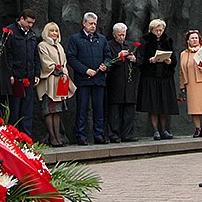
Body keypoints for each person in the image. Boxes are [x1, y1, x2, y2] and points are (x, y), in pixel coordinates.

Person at [66, 12, 110, 145]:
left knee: (99, 108)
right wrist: (85, 70)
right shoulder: (75, 39)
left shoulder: (101, 39)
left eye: (95, 24)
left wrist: (105, 65)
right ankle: (81, 136)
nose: (93, 26)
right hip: (83, 79)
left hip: (98, 79)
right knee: (82, 108)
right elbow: (72, 58)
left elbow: (108, 56)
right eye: (90, 23)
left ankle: (99, 134)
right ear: (84, 23)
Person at [137, 18, 178, 140]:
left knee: (164, 104)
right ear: (152, 30)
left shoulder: (167, 40)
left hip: (165, 77)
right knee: (153, 104)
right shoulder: (145, 41)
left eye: (161, 30)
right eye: (157, 30)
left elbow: (174, 58)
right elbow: (140, 59)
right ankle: (155, 130)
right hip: (151, 77)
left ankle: (164, 129)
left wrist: (170, 61)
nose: (159, 32)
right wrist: (150, 60)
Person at [36, 21, 75, 147]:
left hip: (60, 82)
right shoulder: (42, 45)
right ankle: (52, 137)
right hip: (49, 81)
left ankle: (58, 136)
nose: (54, 33)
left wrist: (64, 70)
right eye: (52, 31)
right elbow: (46, 63)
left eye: (56, 31)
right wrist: (58, 69)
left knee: (57, 110)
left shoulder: (59, 46)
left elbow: (63, 61)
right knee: (49, 110)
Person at [4, 9, 40, 136]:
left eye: (32, 23)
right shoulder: (10, 31)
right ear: (21, 19)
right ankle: (13, 137)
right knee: (14, 109)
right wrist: (10, 74)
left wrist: (37, 74)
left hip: (29, 77)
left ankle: (26, 138)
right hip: (16, 77)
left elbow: (35, 55)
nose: (30, 25)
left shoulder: (32, 35)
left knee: (27, 110)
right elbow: (7, 55)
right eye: (28, 22)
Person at [106, 22, 139, 142]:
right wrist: (118, 57)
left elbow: (139, 63)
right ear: (114, 35)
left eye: (123, 35)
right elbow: (108, 63)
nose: (121, 37)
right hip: (115, 82)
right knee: (115, 110)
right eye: (119, 35)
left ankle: (128, 134)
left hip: (129, 82)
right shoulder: (109, 45)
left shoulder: (130, 45)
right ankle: (114, 134)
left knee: (129, 109)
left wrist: (135, 59)